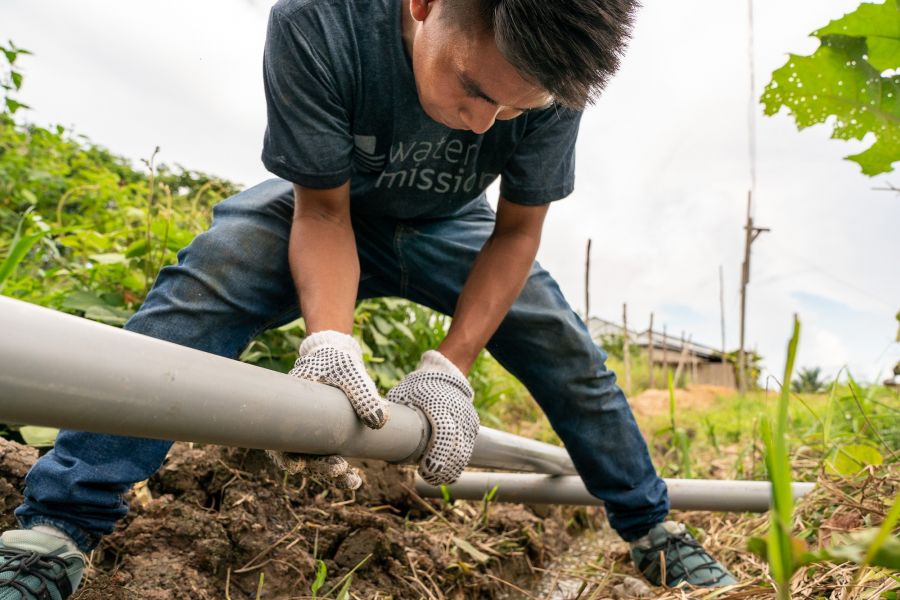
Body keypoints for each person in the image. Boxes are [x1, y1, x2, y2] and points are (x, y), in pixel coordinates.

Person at [0, 0, 737, 597]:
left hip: (454, 228)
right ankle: (58, 525)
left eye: (512, 113)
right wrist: (329, 340)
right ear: (424, 5)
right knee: (209, 279)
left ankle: (653, 530)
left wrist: (451, 366)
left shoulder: (552, 78)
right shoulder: (320, 21)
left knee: (567, 351)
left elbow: (516, 233)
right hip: (326, 207)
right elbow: (323, 213)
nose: (486, 124)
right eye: (475, 90)